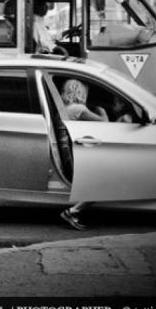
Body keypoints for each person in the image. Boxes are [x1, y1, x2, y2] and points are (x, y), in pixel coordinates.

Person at [58, 78, 108, 230]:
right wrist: (102, 110)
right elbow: (104, 123)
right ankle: (72, 211)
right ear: (80, 92)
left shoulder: (66, 108)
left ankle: (74, 211)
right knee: (101, 182)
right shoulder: (78, 109)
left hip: (66, 151)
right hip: (70, 153)